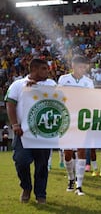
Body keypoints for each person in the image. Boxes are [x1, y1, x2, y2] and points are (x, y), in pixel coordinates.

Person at [5, 58, 56, 204]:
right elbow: (10, 104)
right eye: (44, 69)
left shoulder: (51, 84)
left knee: (41, 165)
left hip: (42, 132)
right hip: (23, 132)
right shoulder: (18, 84)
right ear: (34, 69)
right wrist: (14, 125)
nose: (48, 71)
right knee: (21, 161)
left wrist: (38, 90)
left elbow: (57, 100)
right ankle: (26, 187)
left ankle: (41, 195)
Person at [58, 55, 94, 196]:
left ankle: (79, 185)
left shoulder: (88, 82)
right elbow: (58, 96)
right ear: (73, 65)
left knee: (81, 150)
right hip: (67, 118)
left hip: (81, 119)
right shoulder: (63, 79)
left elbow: (91, 99)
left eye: (84, 67)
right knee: (67, 153)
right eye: (80, 66)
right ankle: (71, 179)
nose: (82, 69)